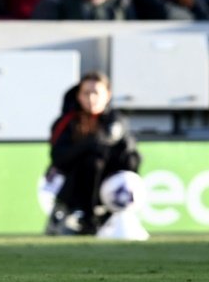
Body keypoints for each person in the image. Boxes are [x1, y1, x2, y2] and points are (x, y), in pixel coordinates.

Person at [45, 71, 141, 235]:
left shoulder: (116, 121)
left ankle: (113, 215)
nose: (91, 98)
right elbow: (58, 159)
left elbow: (130, 158)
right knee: (92, 161)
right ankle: (82, 217)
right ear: (78, 96)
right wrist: (88, 145)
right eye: (86, 93)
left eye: (96, 93)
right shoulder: (67, 121)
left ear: (107, 95)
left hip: (108, 186)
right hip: (72, 185)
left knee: (131, 159)